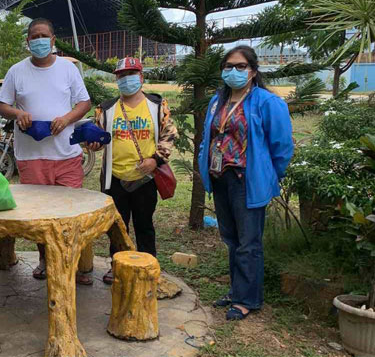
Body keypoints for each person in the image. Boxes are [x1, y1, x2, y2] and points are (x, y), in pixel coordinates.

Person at [198, 45, 294, 321]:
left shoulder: (267, 102)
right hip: (220, 178)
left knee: (249, 242)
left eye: (240, 67)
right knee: (231, 239)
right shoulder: (218, 100)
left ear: (252, 71)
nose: (234, 71)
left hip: (247, 180)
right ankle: (236, 289)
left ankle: (247, 299)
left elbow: (282, 145)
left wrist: (271, 175)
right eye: (228, 66)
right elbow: (209, 135)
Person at [0, 18, 93, 284]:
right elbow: (1, 105)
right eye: (34, 36)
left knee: (71, 212)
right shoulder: (17, 71)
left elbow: (85, 102)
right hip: (31, 156)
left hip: (66, 154)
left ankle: (74, 264)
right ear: (28, 42)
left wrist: (67, 118)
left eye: (44, 36)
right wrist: (17, 113)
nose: (39, 40)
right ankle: (44, 260)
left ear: (52, 40)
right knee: (40, 215)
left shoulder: (68, 69)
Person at [87, 57, 177, 285]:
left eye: (131, 74)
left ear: (141, 77)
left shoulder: (157, 106)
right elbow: (97, 138)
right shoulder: (106, 109)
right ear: (116, 79)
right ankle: (118, 265)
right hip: (114, 177)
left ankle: (148, 266)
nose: (126, 80)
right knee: (117, 226)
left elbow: (169, 134)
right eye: (121, 76)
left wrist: (156, 159)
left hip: (144, 178)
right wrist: (93, 143)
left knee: (144, 224)